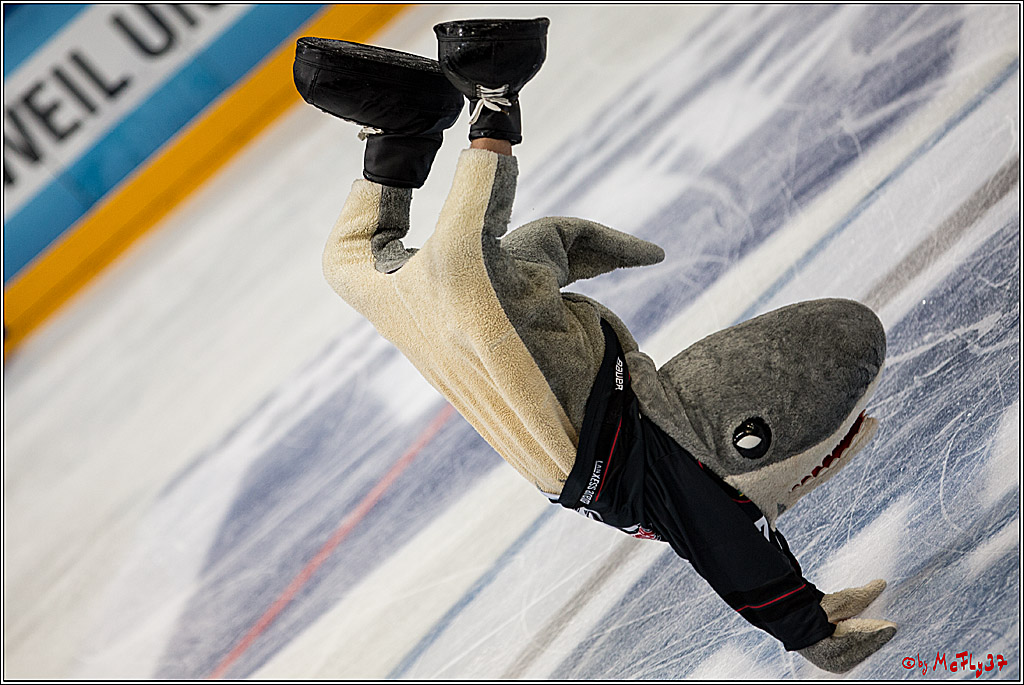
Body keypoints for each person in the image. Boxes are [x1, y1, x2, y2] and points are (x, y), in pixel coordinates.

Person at [293, 17, 897, 673]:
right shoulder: (687, 475)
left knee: (362, 265)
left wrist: (808, 620)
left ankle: (412, 128)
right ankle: (483, 105)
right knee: (451, 265)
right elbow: (728, 535)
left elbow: (727, 534)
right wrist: (808, 619)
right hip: (584, 406)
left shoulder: (691, 482)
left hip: (579, 425)